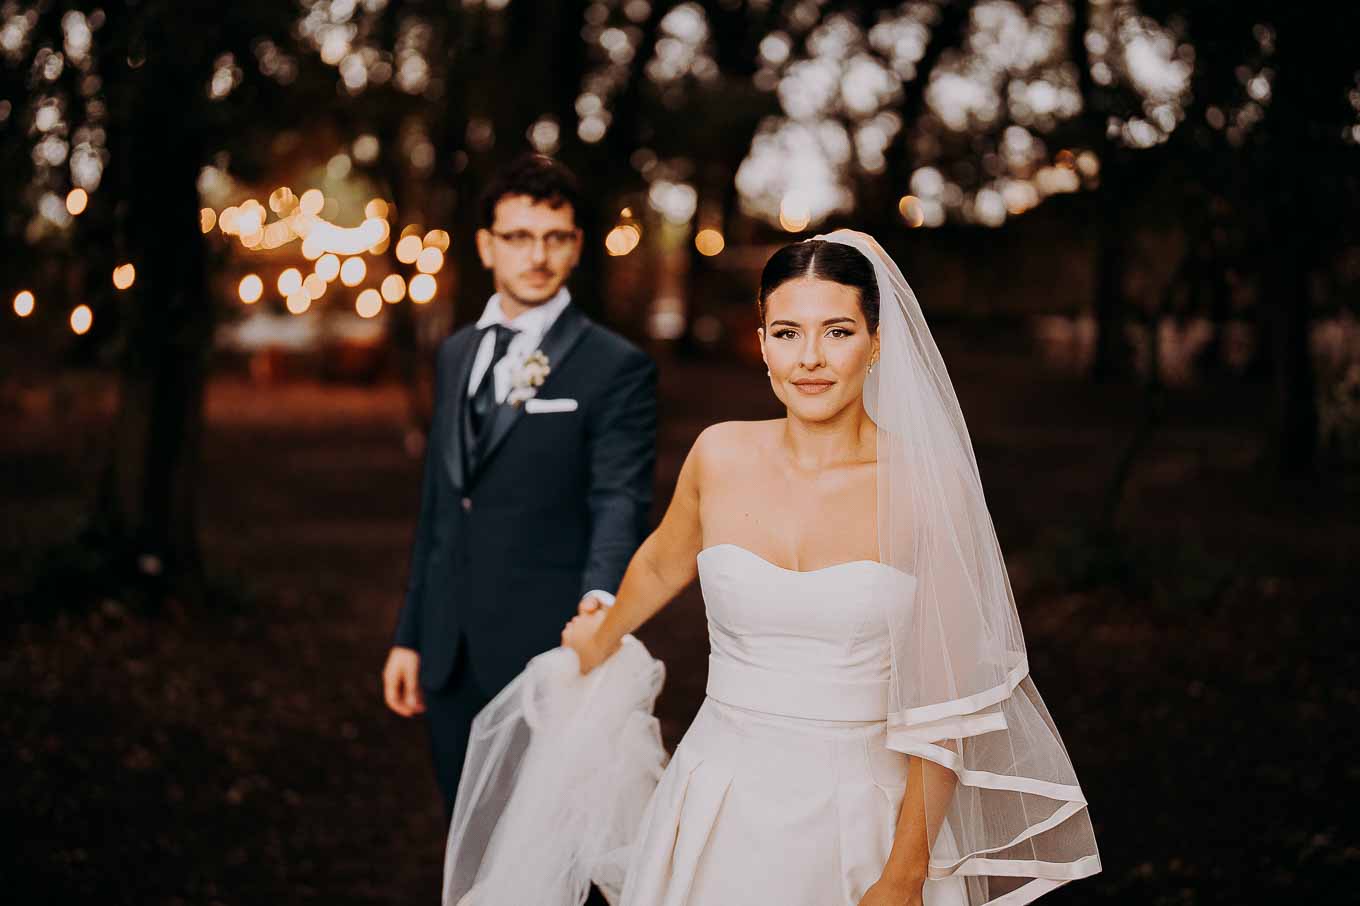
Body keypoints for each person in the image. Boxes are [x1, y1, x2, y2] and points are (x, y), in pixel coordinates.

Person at [445, 231, 1100, 906]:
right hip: (717, 801)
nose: (810, 358)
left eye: (837, 331)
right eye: (787, 333)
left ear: (877, 342)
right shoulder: (719, 455)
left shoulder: (925, 487)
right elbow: (665, 560)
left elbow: (949, 705)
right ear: (762, 344)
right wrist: (600, 637)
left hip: (863, 819)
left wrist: (904, 875)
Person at [381, 153, 658, 819]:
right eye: (518, 237)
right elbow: (441, 505)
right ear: (486, 245)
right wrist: (411, 634)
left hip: (549, 651)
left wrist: (599, 605)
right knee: (465, 836)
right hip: (448, 653)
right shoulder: (457, 353)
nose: (537, 256)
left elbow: (618, 496)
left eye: (556, 238)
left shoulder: (615, 366)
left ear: (577, 246)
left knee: (546, 847)